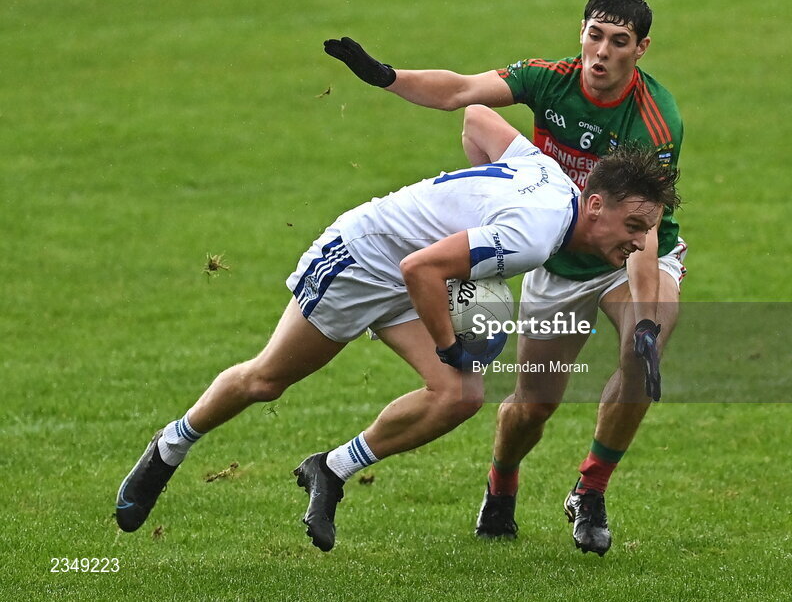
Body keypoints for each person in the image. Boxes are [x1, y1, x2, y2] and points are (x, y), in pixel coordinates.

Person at [115, 104, 679, 553]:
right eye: (631, 226)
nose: (636, 243)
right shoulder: (534, 235)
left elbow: (479, 118)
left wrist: (469, 199)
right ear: (596, 204)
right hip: (359, 261)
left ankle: (331, 471)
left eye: (645, 230)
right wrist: (449, 343)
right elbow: (420, 268)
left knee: (460, 395)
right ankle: (169, 446)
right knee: (266, 380)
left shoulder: (554, 181)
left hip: (415, 276)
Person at [324, 0, 685, 556]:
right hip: (559, 259)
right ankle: (502, 481)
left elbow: (641, 233)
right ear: (582, 33)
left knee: (643, 352)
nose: (602, 52)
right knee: (533, 406)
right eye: (595, 35)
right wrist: (386, 76)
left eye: (619, 42)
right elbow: (464, 95)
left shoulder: (655, 123)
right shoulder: (551, 79)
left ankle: (590, 489)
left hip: (630, 255)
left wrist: (646, 321)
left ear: (641, 49)